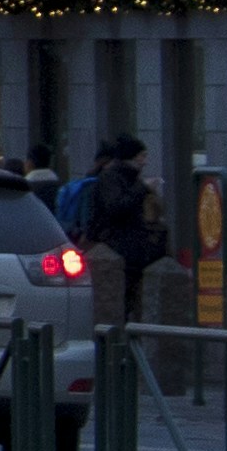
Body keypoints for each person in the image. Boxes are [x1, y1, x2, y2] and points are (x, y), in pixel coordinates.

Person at [76, 133, 170, 327]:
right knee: (120, 307)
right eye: (142, 156)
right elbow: (116, 208)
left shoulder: (129, 179)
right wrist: (143, 189)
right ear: (130, 157)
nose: (144, 162)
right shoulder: (113, 179)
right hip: (118, 250)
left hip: (132, 253)